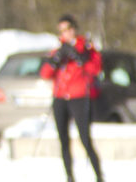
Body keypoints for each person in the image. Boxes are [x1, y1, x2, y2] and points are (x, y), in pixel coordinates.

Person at [38, 15, 103, 182]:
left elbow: (95, 68)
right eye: (61, 31)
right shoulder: (58, 49)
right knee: (63, 139)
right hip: (60, 97)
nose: (65, 34)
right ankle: (69, 176)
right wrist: (54, 61)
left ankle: (99, 175)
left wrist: (79, 58)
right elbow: (45, 73)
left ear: (74, 29)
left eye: (67, 29)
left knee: (84, 138)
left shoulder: (86, 48)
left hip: (79, 96)